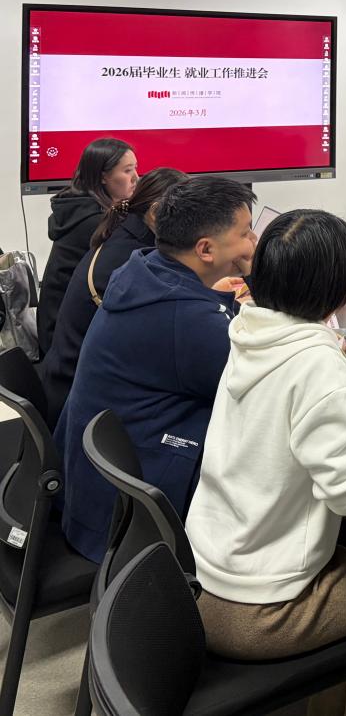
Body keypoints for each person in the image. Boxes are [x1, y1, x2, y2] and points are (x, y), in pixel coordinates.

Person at [186, 210, 346, 716]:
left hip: (208, 571)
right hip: (259, 608)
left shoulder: (251, 330)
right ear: (339, 290)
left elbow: (283, 413)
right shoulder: (317, 364)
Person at [56, 176, 256, 564]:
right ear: (205, 249)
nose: (253, 241)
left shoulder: (143, 269)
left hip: (96, 498)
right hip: (136, 529)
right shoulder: (187, 322)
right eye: (245, 232)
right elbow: (269, 391)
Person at [40, 168, 189, 428]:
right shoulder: (135, 258)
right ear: (155, 214)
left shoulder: (125, 235)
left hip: (69, 381)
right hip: (80, 404)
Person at [37, 138, 139, 356]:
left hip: (61, 328)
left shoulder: (82, 208)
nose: (136, 178)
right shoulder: (94, 223)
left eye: (135, 169)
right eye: (127, 170)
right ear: (103, 177)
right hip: (66, 343)